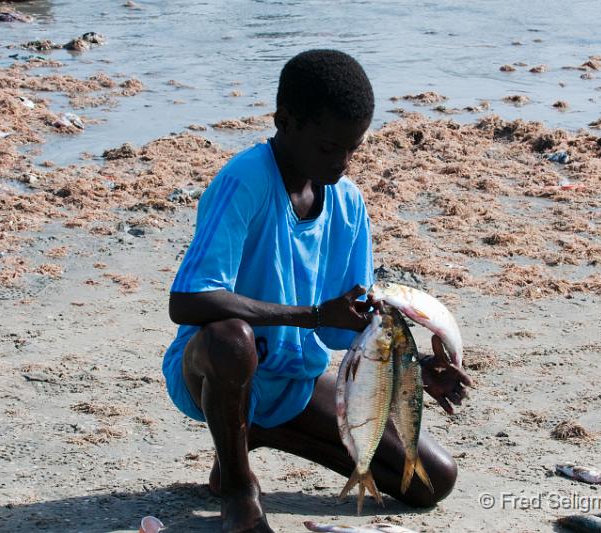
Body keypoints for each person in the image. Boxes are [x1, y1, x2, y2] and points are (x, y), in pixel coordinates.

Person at [163, 49, 472, 533]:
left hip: (292, 382)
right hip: (211, 373)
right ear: (285, 121)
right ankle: (241, 490)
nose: (342, 163)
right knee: (232, 339)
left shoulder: (348, 204)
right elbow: (187, 302)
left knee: (431, 481)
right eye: (329, 148)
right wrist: (312, 315)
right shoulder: (244, 181)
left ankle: (248, 437)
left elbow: (348, 326)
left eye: (354, 148)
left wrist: (413, 373)